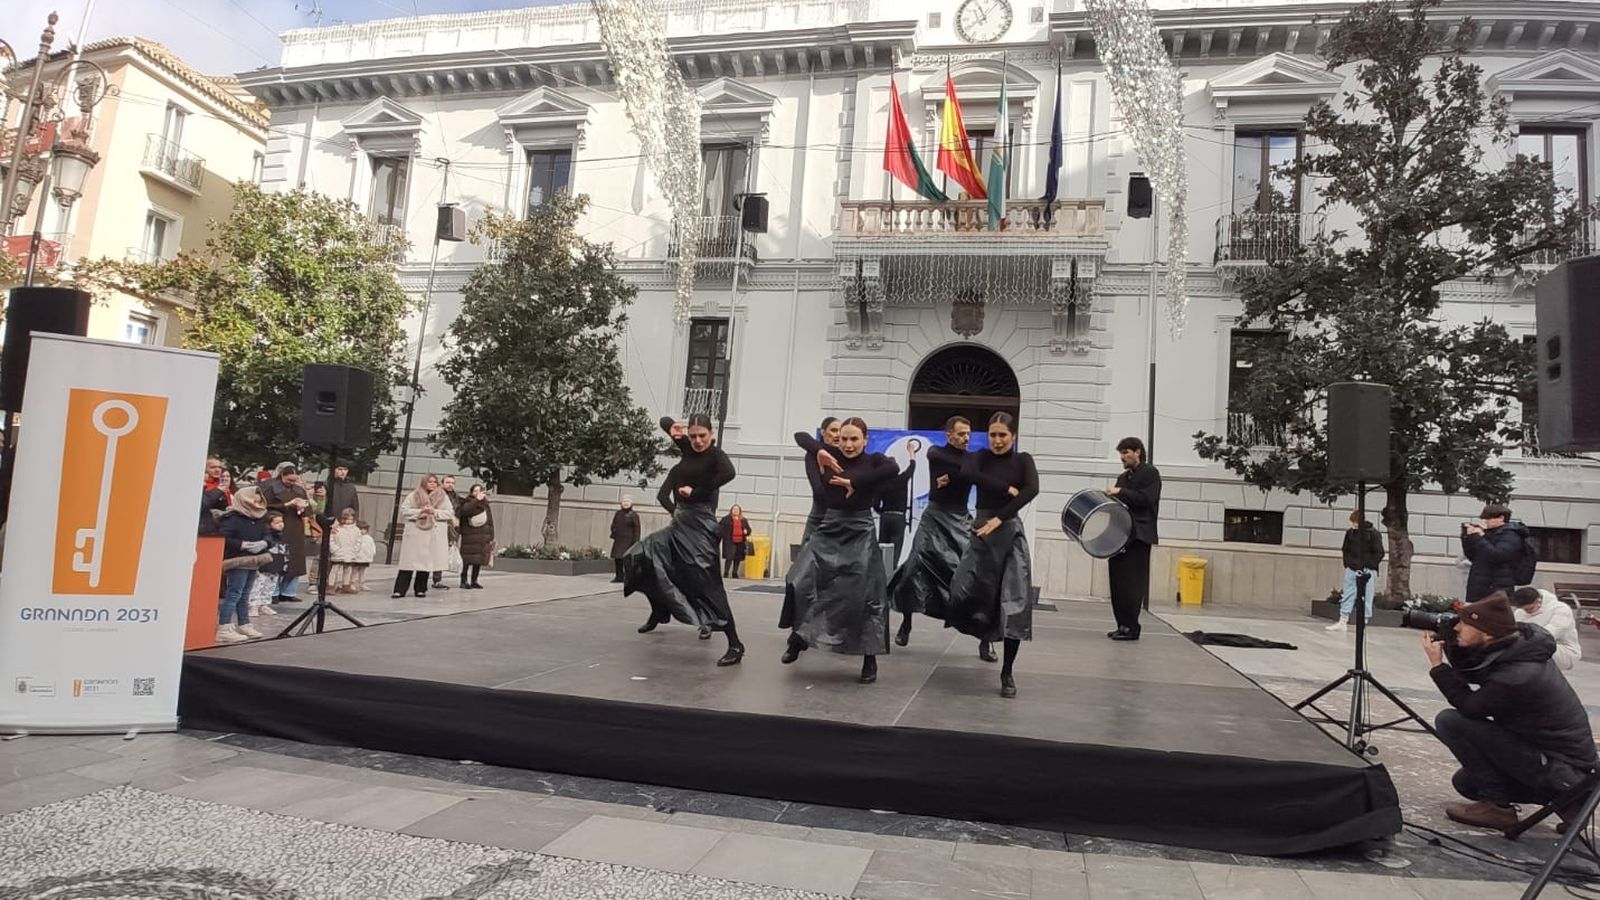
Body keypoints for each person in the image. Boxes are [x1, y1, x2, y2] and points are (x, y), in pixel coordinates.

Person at [1423, 592, 1598, 829]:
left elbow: (1471, 707)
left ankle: (1500, 808)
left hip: (1564, 769)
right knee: (1466, 783)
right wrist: (1453, 643)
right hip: (1552, 759)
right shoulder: (1515, 647)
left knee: (1450, 721)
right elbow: (1475, 670)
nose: (1457, 628)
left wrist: (1438, 667)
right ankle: (1566, 801)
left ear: (1486, 633)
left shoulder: (1518, 675)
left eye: (1464, 624)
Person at [780, 417, 899, 684]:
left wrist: (853, 480)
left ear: (865, 440)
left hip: (860, 529)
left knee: (866, 596)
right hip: (831, 525)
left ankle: (870, 659)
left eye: (854, 439)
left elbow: (893, 468)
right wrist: (821, 449)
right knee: (799, 579)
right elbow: (800, 434)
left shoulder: (875, 460)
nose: (848, 444)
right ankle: (799, 637)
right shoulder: (829, 454)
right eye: (843, 438)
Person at [622, 414, 745, 667]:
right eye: (694, 436)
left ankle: (735, 643)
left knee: (706, 583)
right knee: (639, 555)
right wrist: (672, 428)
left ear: (711, 434)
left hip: (701, 524)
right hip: (680, 523)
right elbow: (665, 421)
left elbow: (729, 473)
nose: (698, 441)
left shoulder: (716, 456)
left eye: (703, 436)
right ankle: (660, 607)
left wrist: (697, 491)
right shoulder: (687, 448)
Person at [945, 413, 1039, 698]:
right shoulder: (980, 456)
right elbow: (968, 474)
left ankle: (1007, 672)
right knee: (971, 593)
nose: (997, 440)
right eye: (993, 434)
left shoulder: (1023, 460)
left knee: (1015, 602)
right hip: (981, 533)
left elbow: (1032, 489)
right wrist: (1004, 488)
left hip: (1008, 532)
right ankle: (985, 637)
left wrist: (1000, 518)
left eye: (1003, 435)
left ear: (1013, 436)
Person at [889, 417, 973, 648]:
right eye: (961, 434)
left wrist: (953, 476)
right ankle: (906, 622)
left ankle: (984, 637)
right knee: (913, 568)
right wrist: (961, 473)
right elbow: (952, 465)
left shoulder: (971, 458)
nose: (966, 438)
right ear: (949, 435)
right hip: (934, 517)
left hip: (960, 519)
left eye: (968, 434)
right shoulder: (936, 452)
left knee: (970, 575)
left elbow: (967, 472)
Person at [1106, 437, 1161, 641]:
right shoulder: (1123, 477)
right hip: (1121, 536)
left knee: (1132, 583)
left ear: (1138, 452)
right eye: (1121, 453)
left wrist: (1121, 492)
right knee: (1118, 582)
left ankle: (1132, 626)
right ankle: (1122, 624)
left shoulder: (1150, 473)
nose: (1123, 457)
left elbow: (1146, 499)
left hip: (1139, 535)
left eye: (1126, 452)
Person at [217, 486, 272, 643]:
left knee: (245, 594)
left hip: (254, 560)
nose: (257, 501)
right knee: (234, 593)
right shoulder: (232, 518)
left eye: (259, 498)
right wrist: (242, 545)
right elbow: (224, 538)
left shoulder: (260, 517)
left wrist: (264, 543)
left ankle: (244, 623)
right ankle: (224, 626)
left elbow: (268, 534)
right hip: (238, 560)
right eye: (254, 498)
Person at [258, 463, 312, 605]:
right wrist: (287, 504)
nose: (292, 483)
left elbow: (308, 511)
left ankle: (288, 591)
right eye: (289, 480)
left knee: (295, 559)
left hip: (295, 527)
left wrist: (302, 507)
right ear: (282, 475)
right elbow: (264, 506)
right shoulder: (270, 487)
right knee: (277, 558)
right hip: (277, 525)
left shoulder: (299, 490)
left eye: (294, 480)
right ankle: (273, 592)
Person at [394, 474, 453, 598]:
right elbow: (404, 511)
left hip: (432, 533)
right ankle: (400, 589)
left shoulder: (443, 497)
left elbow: (449, 513)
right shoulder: (414, 495)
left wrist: (434, 512)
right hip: (415, 532)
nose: (432, 484)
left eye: (434, 482)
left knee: (425, 563)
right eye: (429, 481)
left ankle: (420, 589)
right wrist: (420, 511)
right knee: (408, 563)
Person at [1327, 511, 1386, 631]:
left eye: (1354, 522)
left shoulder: (1373, 534)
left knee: (1366, 595)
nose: (1353, 525)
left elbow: (1379, 553)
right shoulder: (1350, 533)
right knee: (1348, 593)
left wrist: (1367, 565)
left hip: (1367, 570)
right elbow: (1345, 549)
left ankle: (1363, 621)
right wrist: (1348, 563)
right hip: (1352, 568)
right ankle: (1343, 620)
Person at [1462, 504, 1532, 603]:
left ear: (1501, 518)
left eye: (1489, 518)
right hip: (1480, 585)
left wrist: (1478, 538)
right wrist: (1468, 538)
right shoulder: (1490, 533)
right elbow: (1473, 556)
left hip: (1496, 586)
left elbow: (1498, 555)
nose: (1486, 522)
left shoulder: (1511, 535)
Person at [1511, 587, 1582, 672]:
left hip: (1564, 650)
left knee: (1535, 646)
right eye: (1524, 609)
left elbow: (1548, 635)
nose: (1526, 612)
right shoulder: (1519, 612)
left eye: (1530, 609)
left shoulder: (1561, 609)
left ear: (1538, 601)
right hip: (1533, 646)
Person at [800, 416, 843, 543]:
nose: (838, 435)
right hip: (820, 514)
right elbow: (800, 436)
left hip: (842, 516)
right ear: (823, 433)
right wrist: (819, 450)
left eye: (841, 431)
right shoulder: (813, 454)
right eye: (834, 430)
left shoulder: (845, 454)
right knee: (807, 556)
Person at [874, 453, 916, 569]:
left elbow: (875, 504)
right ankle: (892, 571)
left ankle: (882, 571)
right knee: (896, 548)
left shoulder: (880, 484)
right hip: (898, 517)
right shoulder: (902, 479)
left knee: (882, 545)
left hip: (885, 517)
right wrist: (912, 455)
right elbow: (911, 469)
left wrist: (882, 512)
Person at [247, 512, 289, 617]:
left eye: (282, 522)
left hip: (276, 566)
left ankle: (264, 604)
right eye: (277, 522)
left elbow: (286, 551)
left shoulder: (283, 536)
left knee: (270, 587)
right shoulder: (265, 537)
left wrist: (285, 565)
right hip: (264, 566)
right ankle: (254, 606)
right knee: (258, 586)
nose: (281, 524)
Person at [457, 484, 495, 589]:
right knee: (467, 559)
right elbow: (465, 511)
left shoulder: (486, 504)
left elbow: (490, 521)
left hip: (483, 535)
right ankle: (463, 580)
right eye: (475, 491)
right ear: (471, 493)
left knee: (478, 559)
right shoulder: (468, 502)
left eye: (480, 491)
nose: (478, 493)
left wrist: (491, 536)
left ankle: (474, 580)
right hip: (470, 536)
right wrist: (476, 500)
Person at [433, 475, 464, 591]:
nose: (450, 484)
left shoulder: (456, 498)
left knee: (444, 553)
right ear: (442, 483)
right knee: (437, 553)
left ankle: (437, 579)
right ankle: (434, 578)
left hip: (452, 529)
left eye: (452, 482)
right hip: (439, 527)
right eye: (447, 482)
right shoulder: (438, 495)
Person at [328, 508, 362, 594]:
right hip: (338, 552)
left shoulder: (356, 530)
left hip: (350, 552)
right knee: (335, 569)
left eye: (351, 519)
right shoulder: (337, 528)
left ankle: (346, 585)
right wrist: (335, 550)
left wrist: (355, 550)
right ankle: (331, 586)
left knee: (348, 569)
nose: (349, 521)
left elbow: (359, 541)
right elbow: (331, 539)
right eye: (347, 519)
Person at [609, 497, 642, 583]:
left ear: (631, 503)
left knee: (627, 559)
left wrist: (635, 541)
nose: (625, 503)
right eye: (624, 501)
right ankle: (619, 577)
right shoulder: (618, 513)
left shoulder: (634, 515)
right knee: (617, 558)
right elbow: (614, 524)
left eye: (627, 501)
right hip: (619, 539)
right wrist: (614, 532)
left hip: (629, 540)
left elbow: (637, 529)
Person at [720, 504, 752, 579]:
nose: (735, 511)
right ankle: (726, 572)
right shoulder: (726, 519)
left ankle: (735, 573)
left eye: (737, 509)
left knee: (737, 557)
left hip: (740, 541)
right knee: (729, 557)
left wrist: (746, 532)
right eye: (734, 509)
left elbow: (749, 530)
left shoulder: (743, 520)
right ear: (731, 510)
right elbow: (720, 528)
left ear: (740, 511)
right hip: (730, 541)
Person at [352, 520, 377, 593]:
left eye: (364, 529)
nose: (362, 531)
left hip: (366, 558)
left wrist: (372, 553)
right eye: (360, 529)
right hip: (357, 557)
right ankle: (352, 583)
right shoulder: (356, 538)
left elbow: (372, 547)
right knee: (355, 571)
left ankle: (362, 583)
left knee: (363, 571)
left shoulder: (369, 538)